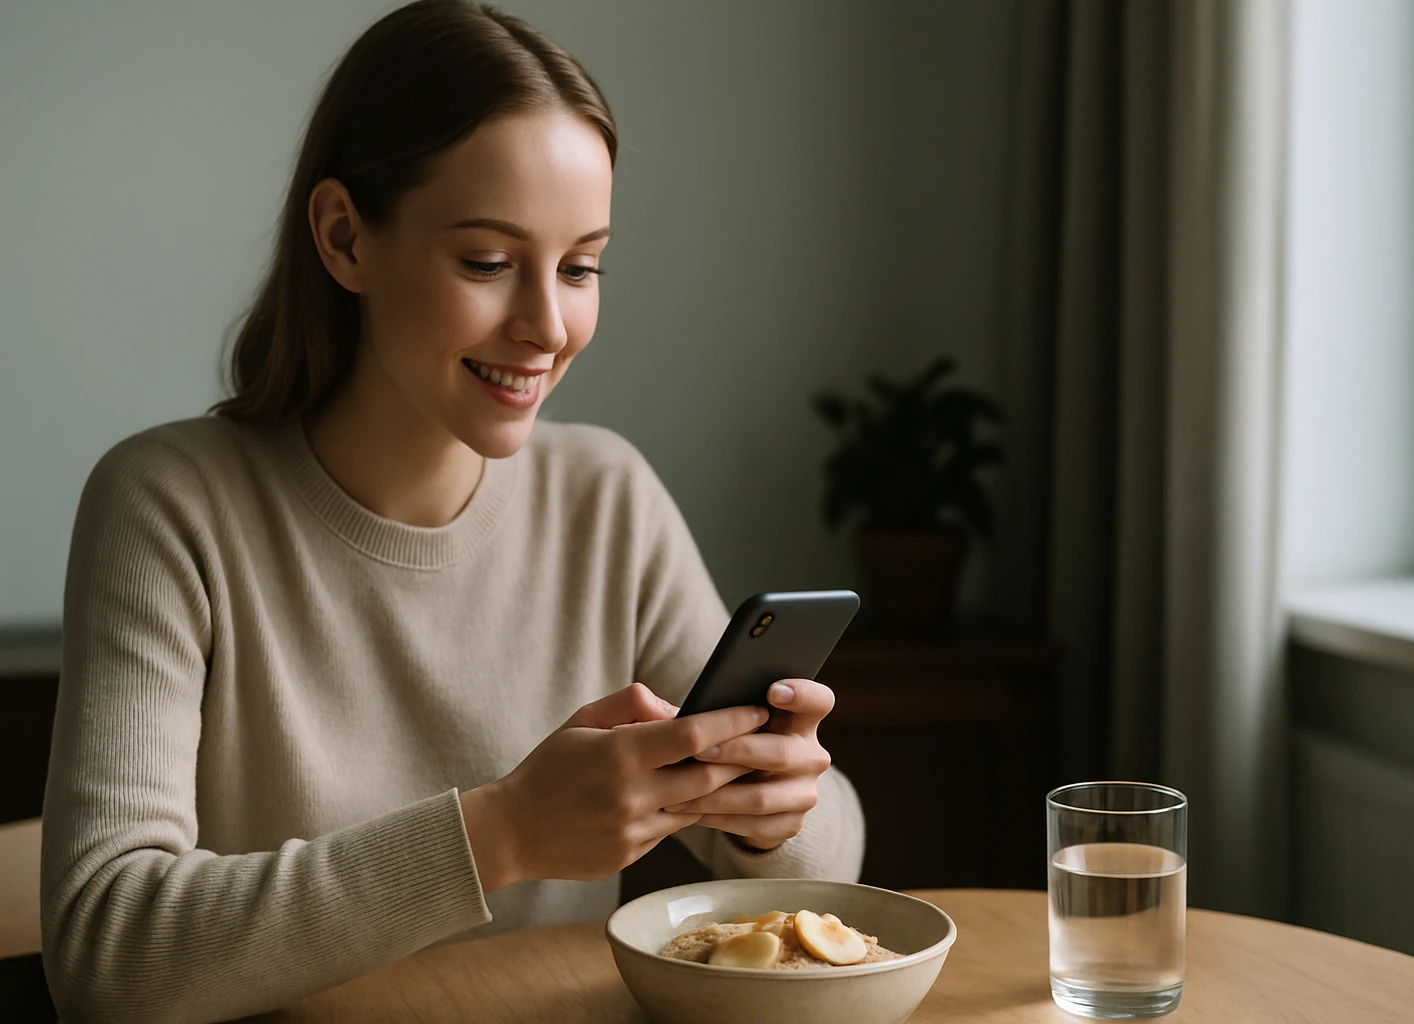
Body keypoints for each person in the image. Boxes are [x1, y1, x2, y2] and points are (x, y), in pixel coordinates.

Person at [38, 3, 865, 1020]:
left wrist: (772, 813)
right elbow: (106, 956)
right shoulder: (168, 506)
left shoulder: (605, 496)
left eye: (581, 265)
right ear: (345, 238)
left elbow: (827, 880)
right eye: (486, 261)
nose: (548, 326)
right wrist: (502, 831)